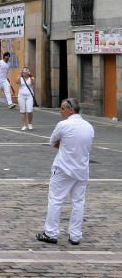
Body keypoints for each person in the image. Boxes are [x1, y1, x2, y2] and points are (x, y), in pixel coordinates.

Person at [37, 98, 95, 246]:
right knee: (78, 202)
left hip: (63, 169)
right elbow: (87, 147)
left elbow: (53, 142)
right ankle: (75, 236)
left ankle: (51, 233)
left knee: (56, 200)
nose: (61, 111)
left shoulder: (63, 125)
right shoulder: (89, 126)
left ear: (71, 110)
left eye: (63, 109)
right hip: (81, 169)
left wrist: (64, 146)